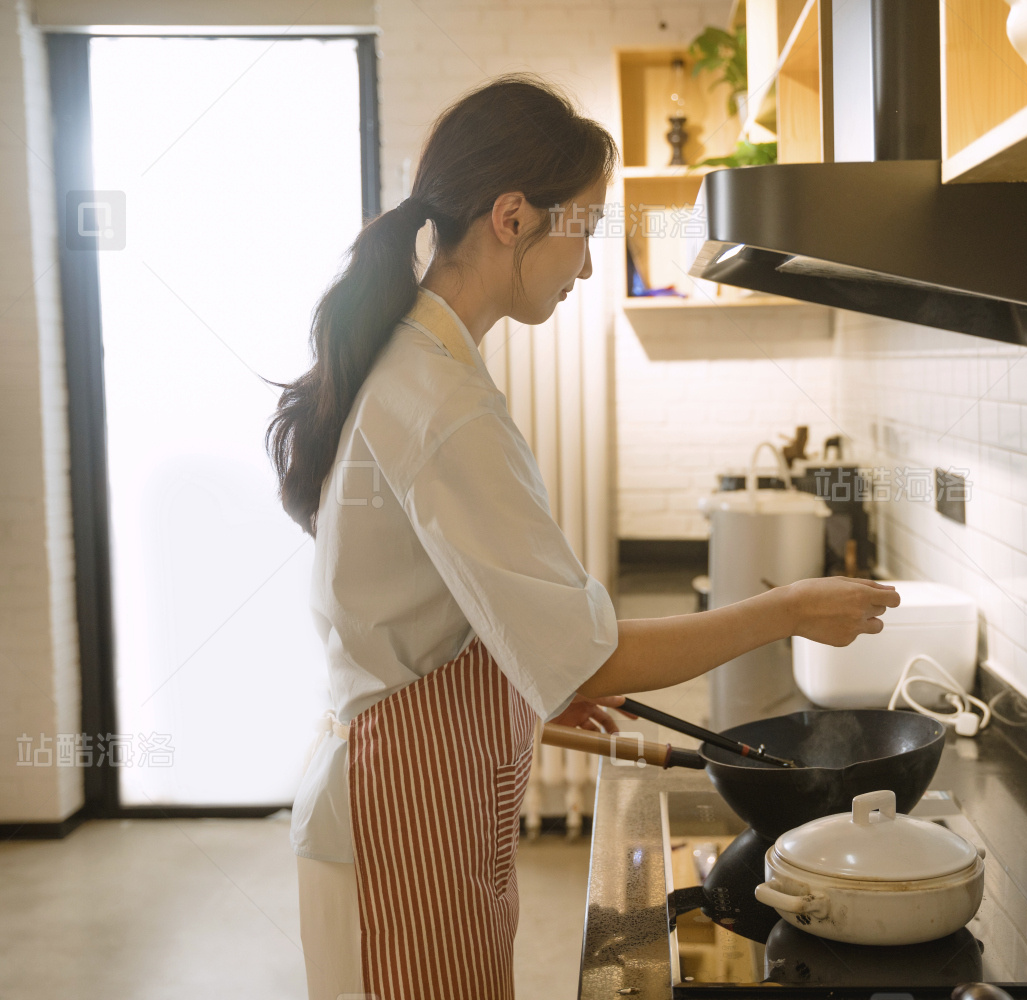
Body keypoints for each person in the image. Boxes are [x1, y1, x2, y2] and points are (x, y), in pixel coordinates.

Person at [267, 75, 900, 1000]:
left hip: (409, 800)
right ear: (513, 217)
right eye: (588, 229)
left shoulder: (422, 363)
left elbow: (441, 608)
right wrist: (790, 610)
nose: (591, 268)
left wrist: (531, 679)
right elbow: (594, 658)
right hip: (398, 813)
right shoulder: (442, 400)